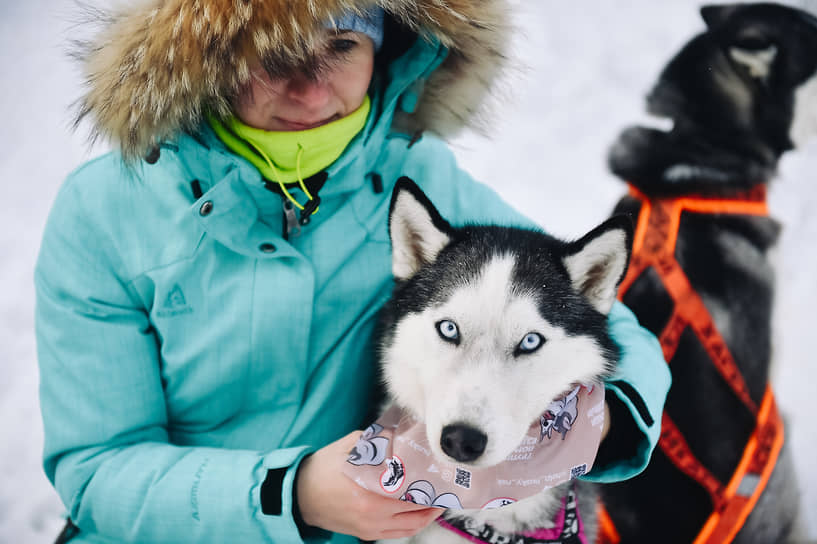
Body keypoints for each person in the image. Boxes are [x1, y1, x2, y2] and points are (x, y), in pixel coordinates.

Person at [35, 1, 671, 543]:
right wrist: (293, 493)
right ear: (212, 58)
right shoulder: (107, 212)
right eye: (277, 51)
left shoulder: (412, 176)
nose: (312, 89)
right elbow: (97, 469)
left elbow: (600, 318)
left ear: (386, 47)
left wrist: (599, 419)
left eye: (341, 44)